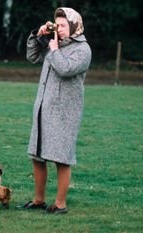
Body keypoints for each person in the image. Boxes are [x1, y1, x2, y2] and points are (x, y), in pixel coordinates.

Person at [19, 7, 92, 214]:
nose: (59, 29)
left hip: (64, 112)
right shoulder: (54, 43)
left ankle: (60, 204)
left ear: (73, 25)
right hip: (44, 107)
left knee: (61, 158)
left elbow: (66, 69)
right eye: (57, 25)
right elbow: (32, 56)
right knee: (37, 156)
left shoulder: (83, 50)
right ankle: (39, 200)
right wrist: (37, 35)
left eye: (63, 25)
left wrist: (54, 50)